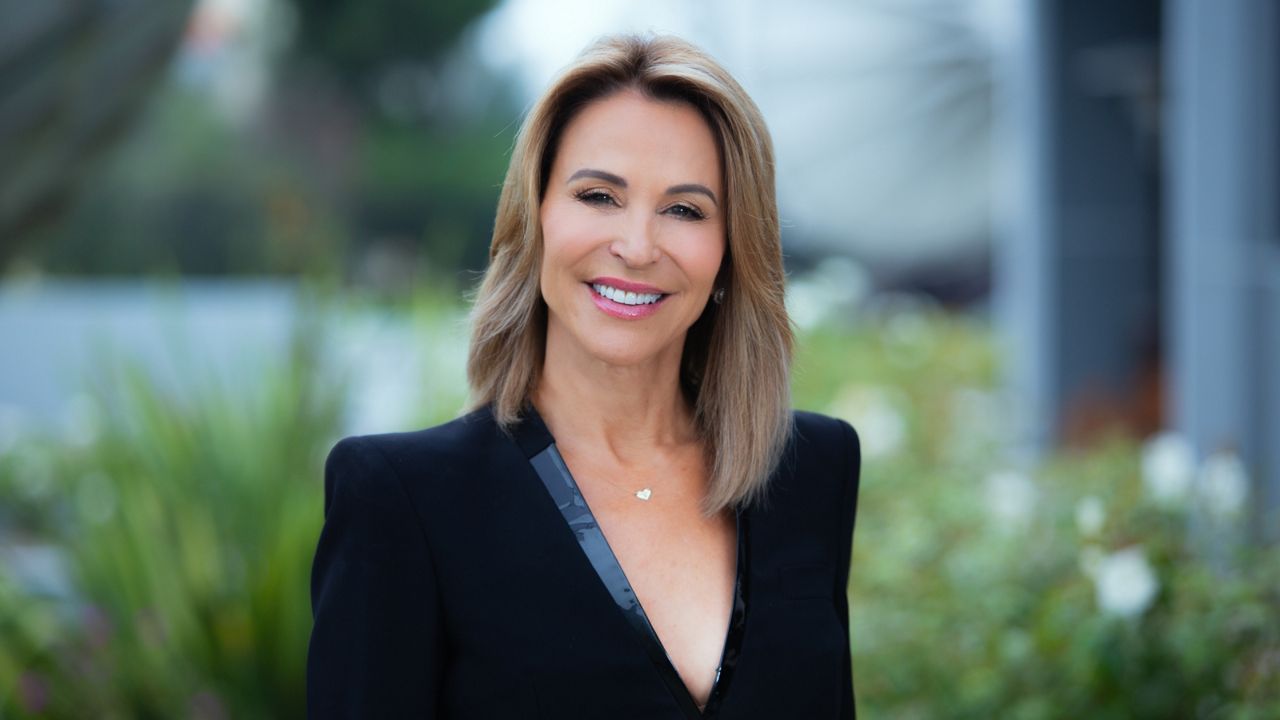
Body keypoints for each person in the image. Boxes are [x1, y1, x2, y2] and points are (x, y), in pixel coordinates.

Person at [307, 33, 862, 719]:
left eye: (684, 209)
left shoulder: (811, 472)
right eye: (599, 195)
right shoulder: (401, 499)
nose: (636, 246)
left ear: (731, 248)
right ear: (535, 216)